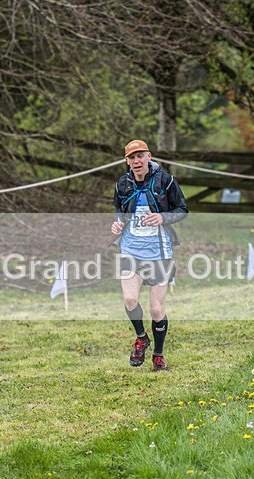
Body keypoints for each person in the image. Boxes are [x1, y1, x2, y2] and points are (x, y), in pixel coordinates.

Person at [111, 140, 188, 371]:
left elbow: (182, 209)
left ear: (148, 156)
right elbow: (119, 211)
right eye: (131, 158)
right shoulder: (122, 183)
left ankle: (158, 354)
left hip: (159, 251)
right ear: (126, 161)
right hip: (131, 249)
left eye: (140, 156)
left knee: (156, 309)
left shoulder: (165, 180)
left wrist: (163, 218)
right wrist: (116, 224)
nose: (136, 161)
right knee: (130, 300)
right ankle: (142, 338)